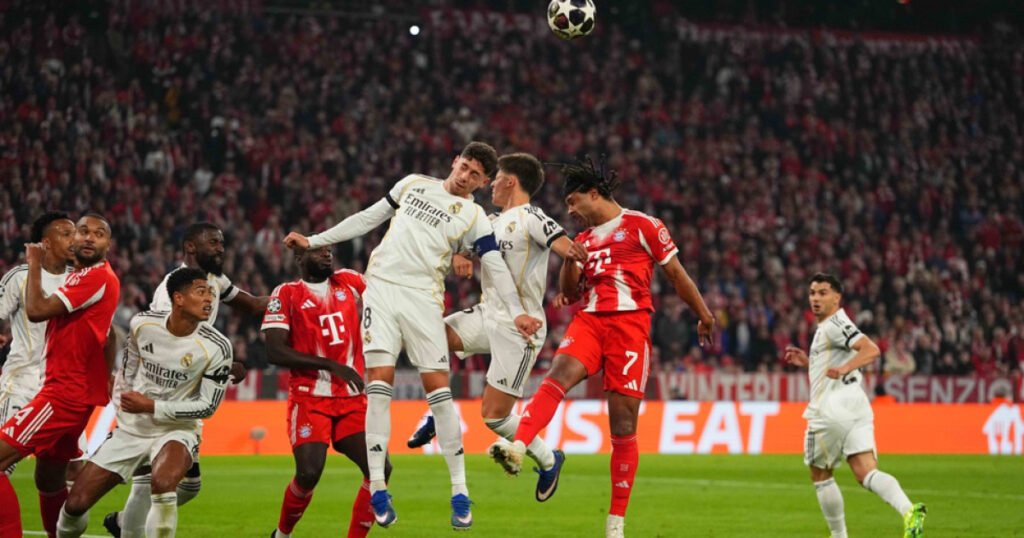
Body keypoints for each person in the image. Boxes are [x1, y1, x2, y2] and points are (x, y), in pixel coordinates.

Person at [284, 141, 543, 530]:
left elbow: (494, 265)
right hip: (381, 290)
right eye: (464, 166)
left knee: (440, 394)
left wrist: (517, 310)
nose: (466, 176)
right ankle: (377, 488)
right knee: (378, 388)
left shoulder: (474, 216)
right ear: (455, 161)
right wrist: (315, 240)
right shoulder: (413, 184)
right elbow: (367, 217)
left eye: (476, 175)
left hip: (423, 299)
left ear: (483, 182)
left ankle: (460, 493)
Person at [490, 159, 715, 538]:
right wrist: (570, 262)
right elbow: (571, 293)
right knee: (558, 375)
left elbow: (676, 274)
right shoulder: (584, 240)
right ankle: (518, 445)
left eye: (573, 202)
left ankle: (615, 524)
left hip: (630, 327)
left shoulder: (643, 225)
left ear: (594, 194)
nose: (570, 211)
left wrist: (704, 314)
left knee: (623, 426)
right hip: (591, 321)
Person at [406, 152, 587, 502]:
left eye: (497, 177)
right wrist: (461, 254)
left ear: (510, 181)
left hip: (521, 328)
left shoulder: (533, 218)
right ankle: (438, 413)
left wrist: (571, 286)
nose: (489, 184)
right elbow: (460, 244)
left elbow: (570, 250)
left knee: (494, 417)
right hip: (487, 313)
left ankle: (550, 460)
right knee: (431, 335)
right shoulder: (489, 220)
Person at [104, 221, 268, 538]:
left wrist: (292, 297)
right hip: (154, 393)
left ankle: (124, 522)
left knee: (189, 486)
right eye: (213, 242)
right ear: (191, 247)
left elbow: (250, 304)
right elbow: (163, 347)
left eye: (222, 243)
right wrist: (220, 365)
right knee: (149, 482)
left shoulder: (214, 280)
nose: (221, 248)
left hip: (181, 394)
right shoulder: (171, 290)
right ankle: (127, 526)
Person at [56, 267, 234, 538]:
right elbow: (128, 373)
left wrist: (151, 406)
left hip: (177, 430)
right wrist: (125, 407)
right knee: (75, 504)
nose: (209, 299)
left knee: (163, 484)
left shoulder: (218, 346)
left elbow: (207, 406)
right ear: (178, 298)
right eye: (201, 292)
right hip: (133, 430)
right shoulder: (143, 325)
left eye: (211, 293)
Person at [0, 213, 121, 537]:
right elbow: (109, 335)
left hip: (61, 395)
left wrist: (34, 262)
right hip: (59, 390)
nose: (86, 237)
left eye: (98, 233)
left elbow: (36, 310)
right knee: (50, 478)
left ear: (109, 244)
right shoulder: (81, 277)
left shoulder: (92, 277)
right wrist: (105, 378)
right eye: (81, 232)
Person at [784, 273, 926, 538]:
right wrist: (809, 363)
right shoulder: (833, 326)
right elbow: (835, 361)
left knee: (821, 475)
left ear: (837, 297)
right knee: (866, 472)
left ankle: (839, 536)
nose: (816, 298)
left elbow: (871, 349)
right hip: (856, 405)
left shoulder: (834, 324)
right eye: (812, 293)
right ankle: (909, 511)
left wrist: (845, 367)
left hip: (830, 409)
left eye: (823, 293)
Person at [263, 245, 386, 538]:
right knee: (308, 473)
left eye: (329, 250)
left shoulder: (348, 281)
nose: (327, 254)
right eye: (318, 251)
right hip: (310, 396)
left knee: (379, 469)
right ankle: (282, 534)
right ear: (300, 259)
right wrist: (330, 365)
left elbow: (385, 296)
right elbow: (275, 350)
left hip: (351, 397)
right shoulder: (286, 293)